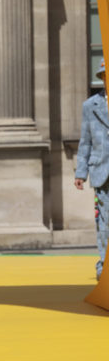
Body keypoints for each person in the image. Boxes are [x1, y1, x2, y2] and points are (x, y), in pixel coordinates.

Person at [74, 58, 109, 281]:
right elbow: (85, 141)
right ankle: (104, 265)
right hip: (102, 172)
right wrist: (81, 172)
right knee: (105, 221)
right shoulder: (90, 105)